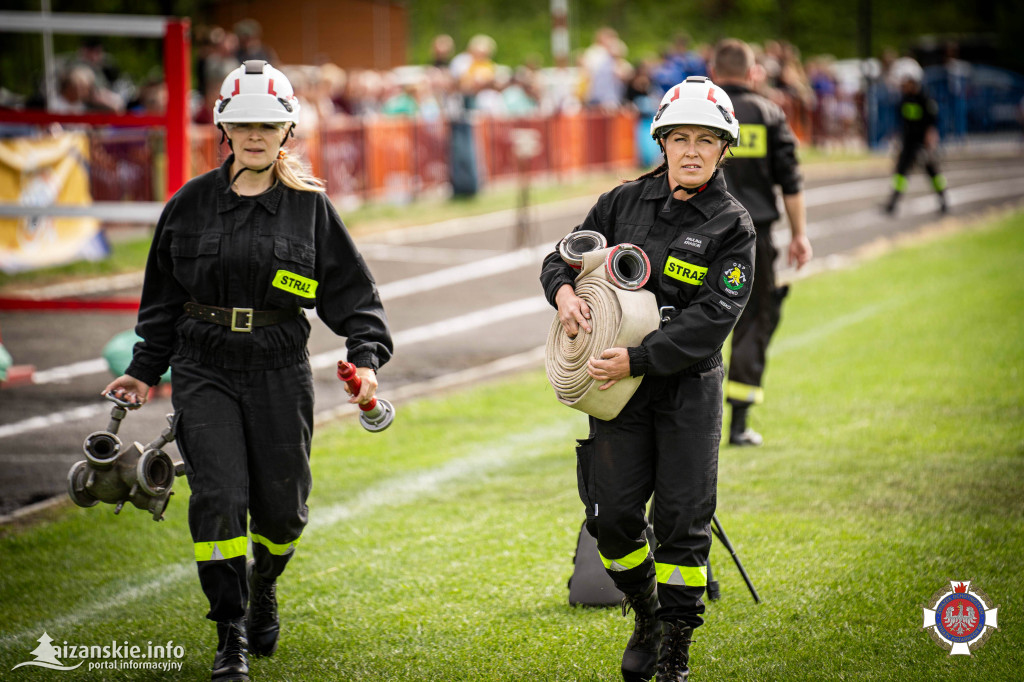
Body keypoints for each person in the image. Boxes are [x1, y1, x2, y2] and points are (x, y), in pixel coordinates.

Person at [102, 60, 392, 682]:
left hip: (279, 368)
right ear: (223, 130)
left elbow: (355, 298)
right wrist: (142, 370)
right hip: (204, 368)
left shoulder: (309, 209)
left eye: (267, 124)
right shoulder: (189, 204)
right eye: (242, 124)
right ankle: (229, 629)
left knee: (283, 512)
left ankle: (266, 583)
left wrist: (366, 361)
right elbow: (161, 299)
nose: (254, 134)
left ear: (287, 130)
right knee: (220, 499)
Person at [541, 76, 756, 682]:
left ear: (723, 149)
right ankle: (646, 612)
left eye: (706, 141)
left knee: (682, 525)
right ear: (661, 141)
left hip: (685, 389)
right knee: (611, 518)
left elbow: (714, 318)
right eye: (680, 138)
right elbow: (560, 256)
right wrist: (563, 295)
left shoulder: (733, 226)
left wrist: (637, 359)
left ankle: (675, 651)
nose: (692, 151)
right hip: (617, 394)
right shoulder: (620, 203)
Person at [710, 38, 812, 446]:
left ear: (715, 72)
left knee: (691, 321)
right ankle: (738, 424)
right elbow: (791, 181)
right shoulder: (769, 113)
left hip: (701, 236)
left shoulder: (705, 111)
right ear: (753, 72)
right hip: (755, 239)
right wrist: (800, 234)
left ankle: (687, 422)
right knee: (754, 321)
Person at [884, 57, 948, 216]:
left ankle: (943, 199)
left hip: (922, 143)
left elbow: (933, 122)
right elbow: (902, 121)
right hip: (908, 142)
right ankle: (893, 203)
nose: (901, 85)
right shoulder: (904, 99)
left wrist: (930, 138)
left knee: (932, 172)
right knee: (901, 172)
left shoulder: (925, 99)